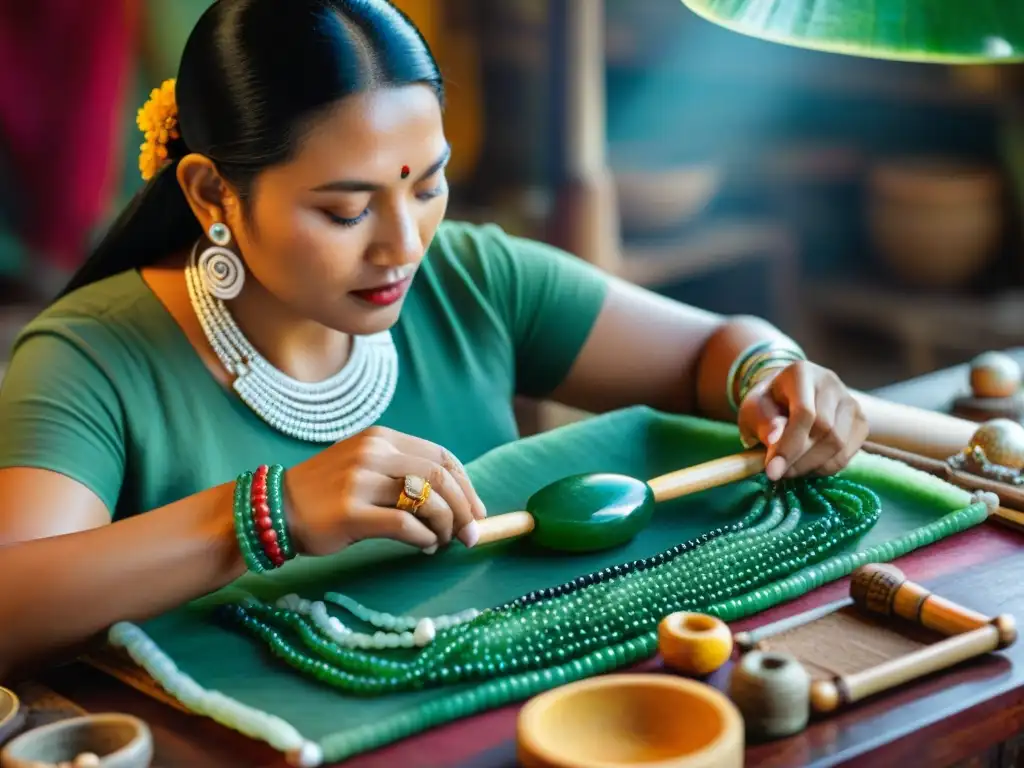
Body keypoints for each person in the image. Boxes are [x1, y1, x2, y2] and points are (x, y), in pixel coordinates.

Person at [0, 0, 968, 681]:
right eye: (345, 209)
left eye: (426, 184)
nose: (403, 243)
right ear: (213, 193)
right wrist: (270, 514)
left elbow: (709, 348)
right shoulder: (90, 360)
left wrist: (778, 375)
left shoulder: (468, 276)